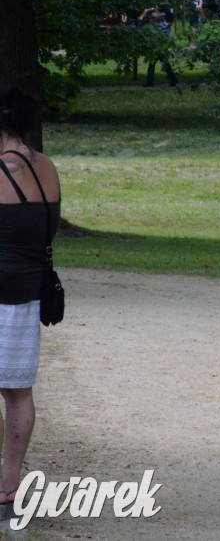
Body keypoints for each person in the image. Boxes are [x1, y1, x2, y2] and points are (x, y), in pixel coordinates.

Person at [0, 88, 61, 518]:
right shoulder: (46, 167)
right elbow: (48, 228)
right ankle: (9, 486)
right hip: (27, 292)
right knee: (19, 391)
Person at [139, 5, 178, 88]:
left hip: (159, 47)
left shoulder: (162, 25)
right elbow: (141, 20)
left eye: (153, 18)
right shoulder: (158, 25)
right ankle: (173, 80)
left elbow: (161, 37)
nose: (152, 19)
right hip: (159, 48)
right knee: (163, 65)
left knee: (156, 65)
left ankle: (150, 83)